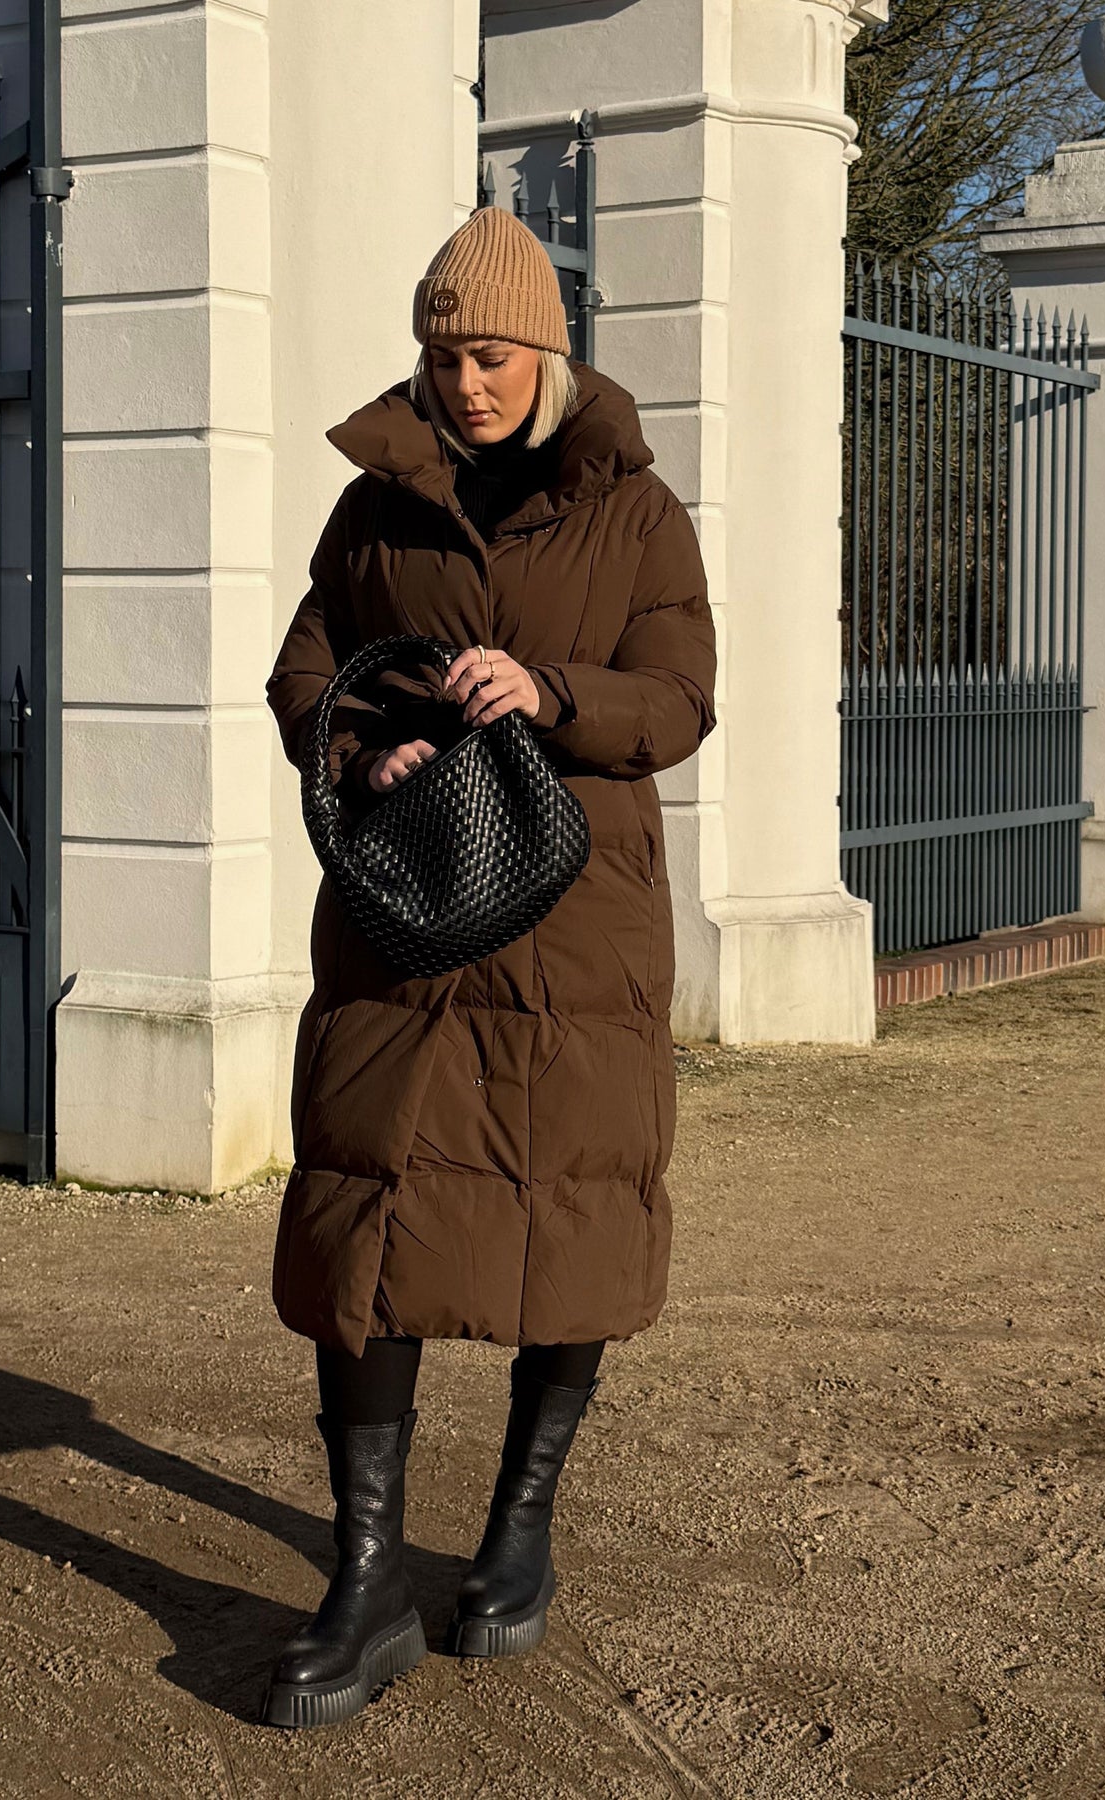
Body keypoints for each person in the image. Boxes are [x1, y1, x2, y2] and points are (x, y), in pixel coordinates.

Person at [262, 205, 717, 1730]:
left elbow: (681, 699)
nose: (466, 383)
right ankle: (367, 1579)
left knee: (568, 1203)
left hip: (576, 918)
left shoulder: (635, 511)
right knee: (364, 1211)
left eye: (495, 356)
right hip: (403, 911)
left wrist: (555, 690)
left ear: (548, 355)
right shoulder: (374, 504)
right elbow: (308, 665)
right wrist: (365, 745)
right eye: (447, 355)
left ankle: (519, 1531)